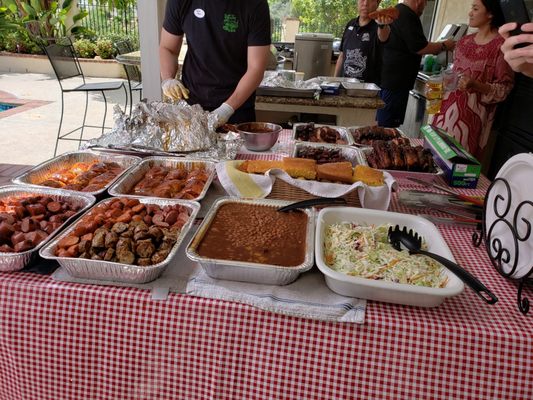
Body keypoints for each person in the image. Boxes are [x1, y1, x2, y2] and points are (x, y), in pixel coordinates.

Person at [159, 0, 271, 126]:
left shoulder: (255, 4)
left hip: (237, 107)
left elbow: (256, 68)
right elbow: (168, 48)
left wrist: (226, 109)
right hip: (191, 106)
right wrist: (168, 79)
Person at [432, 0, 514, 162]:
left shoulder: (501, 46)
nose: (470, 13)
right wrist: (444, 82)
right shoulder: (463, 42)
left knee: (458, 166)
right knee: (432, 159)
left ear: (490, 14)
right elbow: (454, 73)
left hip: (471, 123)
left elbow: (504, 88)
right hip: (444, 114)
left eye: (475, 9)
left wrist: (476, 85)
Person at [376, 0, 456, 128]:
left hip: (391, 80)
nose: (425, 6)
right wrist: (444, 45)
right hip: (396, 83)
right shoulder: (407, 15)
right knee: (387, 127)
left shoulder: (398, 11)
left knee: (385, 124)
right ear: (419, 1)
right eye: (425, 2)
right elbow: (420, 47)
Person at [334, 0, 393, 84]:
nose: (365, 3)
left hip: (367, 88)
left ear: (377, 3)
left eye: (370, 0)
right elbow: (342, 55)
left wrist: (382, 25)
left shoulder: (380, 25)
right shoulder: (351, 24)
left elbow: (383, 36)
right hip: (345, 85)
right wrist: (334, 80)